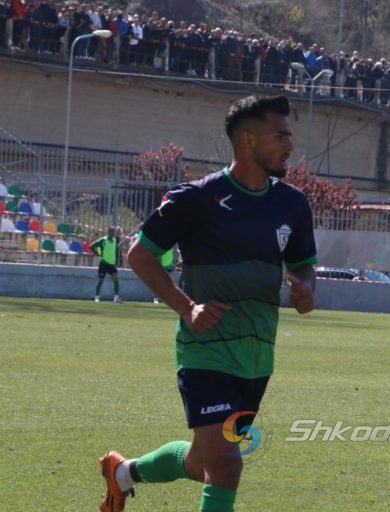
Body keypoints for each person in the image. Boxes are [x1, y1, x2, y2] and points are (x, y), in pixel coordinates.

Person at [98, 95, 317, 512]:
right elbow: (139, 256)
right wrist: (186, 307)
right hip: (205, 350)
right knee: (228, 464)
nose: (290, 145)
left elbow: (304, 266)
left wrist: (306, 288)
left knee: (204, 462)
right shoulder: (195, 198)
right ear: (248, 140)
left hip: (257, 355)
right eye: (281, 136)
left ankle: (122, 473)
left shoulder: (292, 203)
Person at [91, 226, 122, 303]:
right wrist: (97, 253)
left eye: (114, 232)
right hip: (103, 263)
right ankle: (97, 297)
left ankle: (116, 297)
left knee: (116, 279)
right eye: (112, 231)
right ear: (108, 232)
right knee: (100, 281)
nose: (113, 233)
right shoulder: (103, 240)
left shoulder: (114, 241)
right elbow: (92, 246)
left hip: (111, 264)